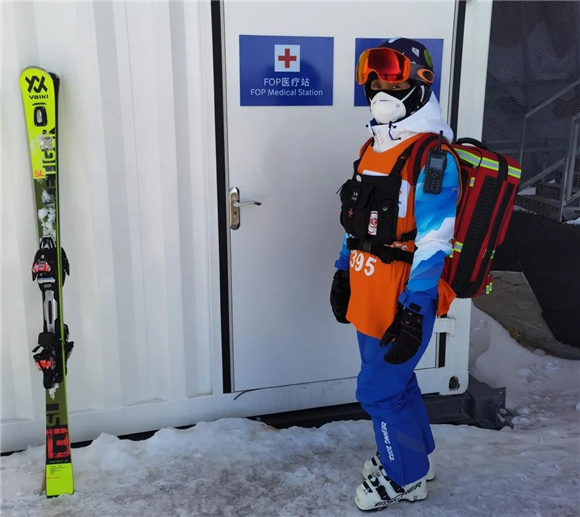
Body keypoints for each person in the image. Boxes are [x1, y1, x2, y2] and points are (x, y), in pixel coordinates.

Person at [330, 37, 460, 511]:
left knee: (378, 390)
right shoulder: (372, 147)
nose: (382, 86)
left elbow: (436, 237)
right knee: (395, 383)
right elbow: (357, 222)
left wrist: (416, 305)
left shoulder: (433, 158)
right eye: (376, 77)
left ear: (421, 82)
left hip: (404, 297)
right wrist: (343, 270)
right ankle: (415, 458)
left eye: (394, 76)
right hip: (367, 288)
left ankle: (404, 479)